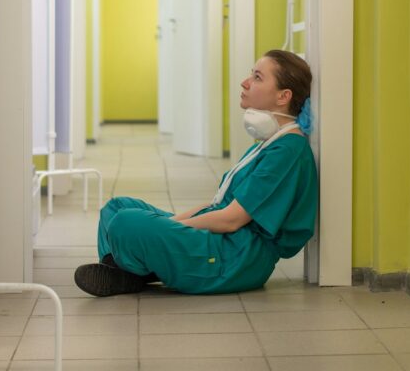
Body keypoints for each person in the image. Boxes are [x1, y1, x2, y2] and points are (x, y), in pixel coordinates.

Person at [74, 49, 318, 297]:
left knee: (126, 223)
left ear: (283, 96)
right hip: (223, 243)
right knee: (116, 208)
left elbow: (231, 220)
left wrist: (169, 229)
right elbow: (216, 205)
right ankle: (131, 272)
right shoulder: (270, 143)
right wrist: (167, 227)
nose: (245, 83)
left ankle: (129, 271)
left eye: (257, 77)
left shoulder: (287, 151)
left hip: (236, 258)